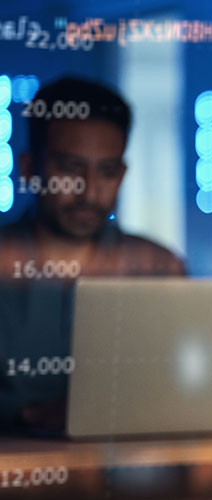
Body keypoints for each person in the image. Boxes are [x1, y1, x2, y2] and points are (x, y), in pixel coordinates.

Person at [0, 76, 185, 433]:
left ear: (123, 174)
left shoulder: (159, 269)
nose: (89, 191)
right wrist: (31, 414)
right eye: (70, 168)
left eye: (107, 171)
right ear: (28, 169)